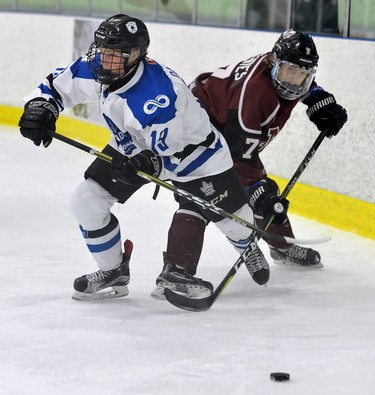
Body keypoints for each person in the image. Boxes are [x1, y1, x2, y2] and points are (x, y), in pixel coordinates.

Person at [18, 14, 270, 301]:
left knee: (234, 220)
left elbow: (166, 155)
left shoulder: (158, 97)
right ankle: (114, 271)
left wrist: (143, 165)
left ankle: (247, 246)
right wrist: (41, 107)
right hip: (133, 147)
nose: (103, 59)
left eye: (113, 54)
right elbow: (57, 86)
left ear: (135, 55)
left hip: (196, 157)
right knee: (86, 202)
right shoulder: (101, 66)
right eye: (102, 50)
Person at [152, 29, 347, 298]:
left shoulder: (276, 69)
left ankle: (279, 245)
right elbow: (234, 159)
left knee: (260, 193)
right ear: (275, 62)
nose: (294, 80)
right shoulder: (254, 95)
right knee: (200, 198)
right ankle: (176, 272)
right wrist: (257, 191)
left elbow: (297, 80)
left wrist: (318, 99)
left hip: (221, 129)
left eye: (301, 73)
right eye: (289, 70)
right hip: (194, 133)